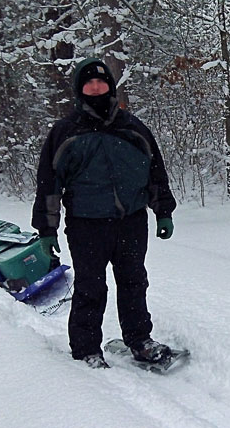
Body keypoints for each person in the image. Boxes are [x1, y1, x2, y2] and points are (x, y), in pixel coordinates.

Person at [32, 58, 177, 369]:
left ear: (110, 86)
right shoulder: (65, 132)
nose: (96, 87)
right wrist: (46, 229)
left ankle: (140, 340)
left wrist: (163, 210)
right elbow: (49, 184)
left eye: (101, 82)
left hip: (132, 221)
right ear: (79, 90)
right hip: (87, 225)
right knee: (90, 287)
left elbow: (155, 171)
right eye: (89, 83)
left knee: (134, 281)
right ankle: (87, 349)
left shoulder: (131, 127)